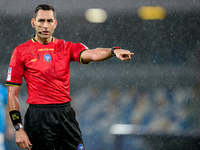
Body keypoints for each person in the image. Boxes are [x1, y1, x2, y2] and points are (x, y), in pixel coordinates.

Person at [5, 4, 134, 150]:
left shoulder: (66, 47)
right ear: (33, 23)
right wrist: (18, 128)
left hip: (64, 114)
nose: (45, 25)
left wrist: (112, 51)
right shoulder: (21, 51)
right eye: (41, 21)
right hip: (37, 116)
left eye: (49, 21)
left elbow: (92, 53)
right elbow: (12, 95)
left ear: (55, 23)